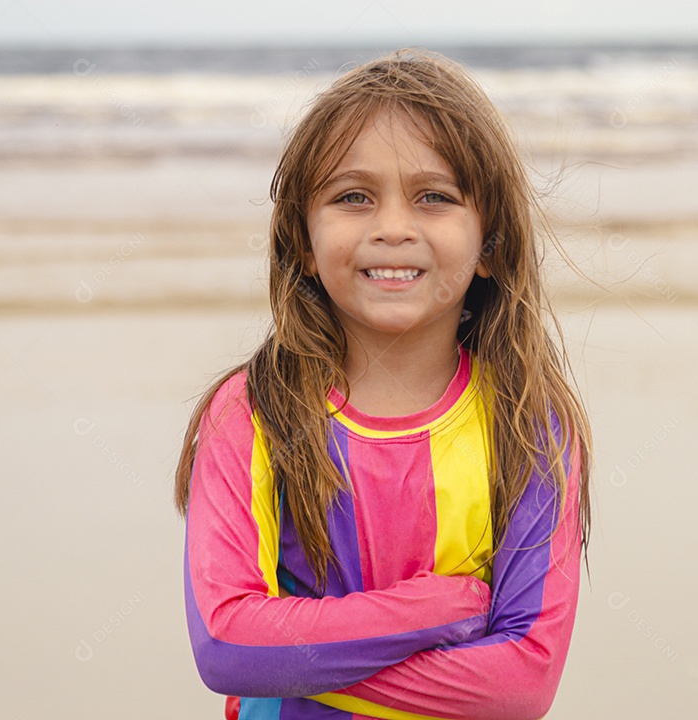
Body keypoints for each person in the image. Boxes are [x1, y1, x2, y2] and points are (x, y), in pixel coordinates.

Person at [174, 48, 593, 720]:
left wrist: (291, 660)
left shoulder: (527, 428)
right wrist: (440, 609)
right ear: (303, 241)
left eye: (435, 196)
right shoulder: (253, 415)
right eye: (352, 197)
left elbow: (522, 685)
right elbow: (227, 644)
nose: (393, 229)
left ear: (489, 243)